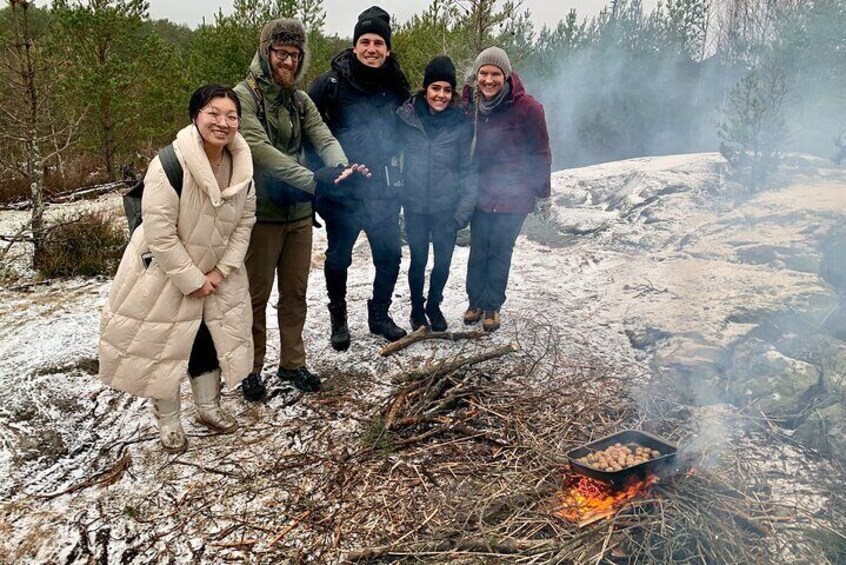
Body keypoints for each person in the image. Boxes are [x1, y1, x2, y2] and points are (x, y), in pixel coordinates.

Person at [99, 84, 257, 454]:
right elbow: (159, 233)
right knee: (167, 348)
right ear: (195, 116)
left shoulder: (242, 167)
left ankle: (207, 407)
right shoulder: (170, 163)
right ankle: (168, 423)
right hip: (166, 274)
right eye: (213, 114)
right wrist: (192, 278)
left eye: (231, 116)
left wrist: (220, 272)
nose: (223, 122)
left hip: (218, 274)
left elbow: (245, 223)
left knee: (209, 341)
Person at [234, 18, 367, 400]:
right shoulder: (245, 96)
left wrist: (340, 170)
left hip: (298, 215)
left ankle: (292, 363)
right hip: (260, 214)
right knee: (255, 296)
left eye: (295, 55)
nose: (289, 62)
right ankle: (250, 368)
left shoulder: (299, 100)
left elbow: (323, 136)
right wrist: (314, 181)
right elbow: (259, 149)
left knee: (294, 293)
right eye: (281, 53)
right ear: (265, 51)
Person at [309, 6, 411, 349]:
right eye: (365, 41)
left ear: (387, 49)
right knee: (339, 257)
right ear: (354, 46)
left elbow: (410, 130)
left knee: (390, 256)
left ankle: (379, 316)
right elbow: (305, 132)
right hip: (343, 191)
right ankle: (339, 320)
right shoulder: (330, 84)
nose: (371, 48)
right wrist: (318, 181)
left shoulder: (395, 84)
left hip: (382, 189)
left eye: (378, 43)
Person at [462, 46, 552, 332]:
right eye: (483, 74)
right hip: (481, 192)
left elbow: (541, 152)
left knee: (500, 249)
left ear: (506, 75)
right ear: (477, 77)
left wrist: (543, 194)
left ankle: (492, 306)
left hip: (515, 194)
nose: (489, 80)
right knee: (478, 249)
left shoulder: (528, 108)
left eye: (495, 74)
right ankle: (474, 301)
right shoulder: (472, 106)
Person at [396, 55, 478, 332]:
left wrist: (464, 208)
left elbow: (468, 168)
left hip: (446, 206)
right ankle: (417, 309)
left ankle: (434, 305)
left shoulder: (461, 124)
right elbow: (394, 159)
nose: (440, 95)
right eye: (435, 88)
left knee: (442, 262)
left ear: (452, 92)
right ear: (425, 89)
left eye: (446, 89)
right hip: (415, 205)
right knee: (418, 261)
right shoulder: (406, 118)